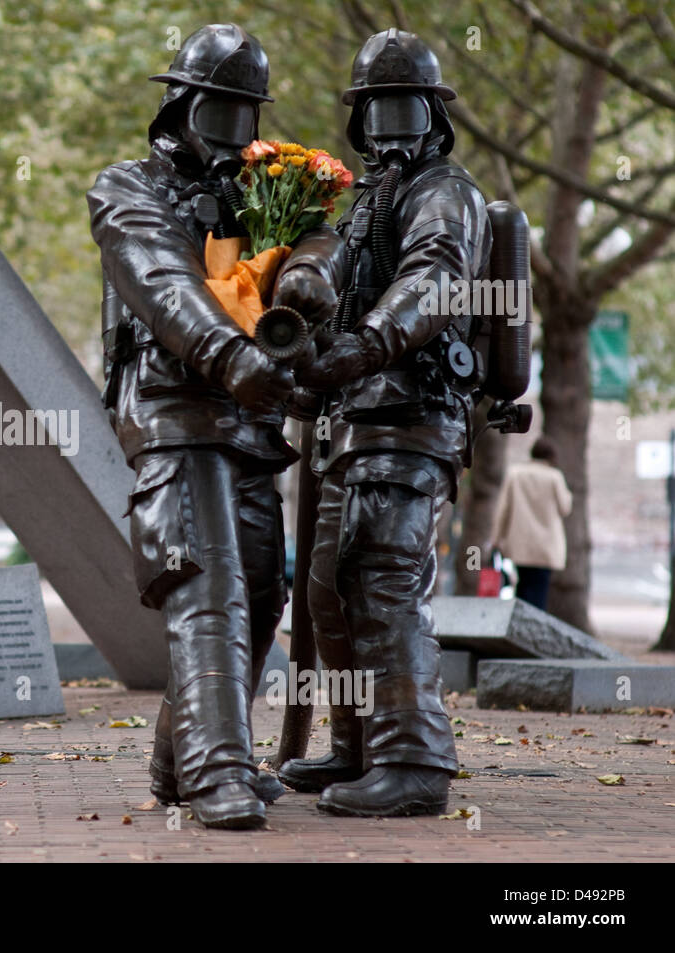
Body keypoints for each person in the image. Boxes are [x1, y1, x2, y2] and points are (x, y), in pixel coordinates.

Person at [87, 23, 339, 829]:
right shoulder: (124, 188)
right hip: (173, 410)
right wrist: (230, 357)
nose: (231, 132)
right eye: (216, 111)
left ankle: (176, 759)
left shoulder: (261, 192)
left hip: (250, 420)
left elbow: (313, 250)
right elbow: (163, 283)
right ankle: (216, 769)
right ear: (179, 105)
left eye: (244, 116)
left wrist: (308, 266)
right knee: (209, 588)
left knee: (261, 592)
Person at [278, 29, 490, 816]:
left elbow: (433, 279)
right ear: (358, 122)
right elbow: (325, 287)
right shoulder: (362, 206)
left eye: (406, 107)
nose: (392, 126)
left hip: (412, 417)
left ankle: (415, 762)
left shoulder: (447, 193)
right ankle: (360, 744)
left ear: (435, 118)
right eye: (378, 109)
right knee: (331, 586)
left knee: (384, 581)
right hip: (354, 419)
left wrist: (363, 347)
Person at [492, 436, 572, 610]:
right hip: (546, 545)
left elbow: (503, 509)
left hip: (520, 541)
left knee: (521, 586)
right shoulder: (554, 477)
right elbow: (565, 508)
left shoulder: (516, 473)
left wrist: (497, 539)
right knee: (540, 589)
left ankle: (519, 624)